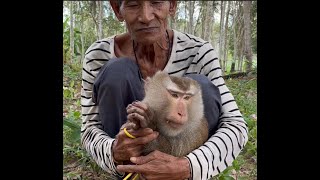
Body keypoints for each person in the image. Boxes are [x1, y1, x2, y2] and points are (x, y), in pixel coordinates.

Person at [80, 0, 248, 179]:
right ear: (117, 9)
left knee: (202, 86)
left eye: (156, 2)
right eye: (132, 4)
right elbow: (89, 128)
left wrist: (189, 166)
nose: (145, 16)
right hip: (130, 162)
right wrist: (113, 151)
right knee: (116, 72)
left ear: (173, 5)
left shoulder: (199, 52)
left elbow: (236, 126)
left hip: (185, 155)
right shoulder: (99, 55)